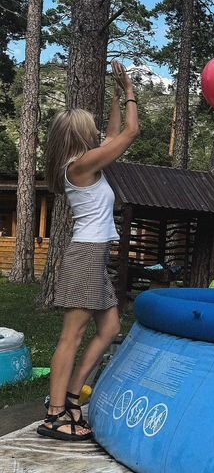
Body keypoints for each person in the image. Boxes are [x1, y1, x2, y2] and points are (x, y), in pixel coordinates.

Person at [37, 61, 139, 441]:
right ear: (78, 134)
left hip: (93, 257)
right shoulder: (79, 166)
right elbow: (129, 133)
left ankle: (71, 396)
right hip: (84, 257)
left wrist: (114, 96)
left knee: (110, 328)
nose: (95, 131)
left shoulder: (85, 163)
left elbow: (112, 134)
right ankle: (55, 414)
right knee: (72, 336)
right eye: (89, 127)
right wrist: (129, 92)